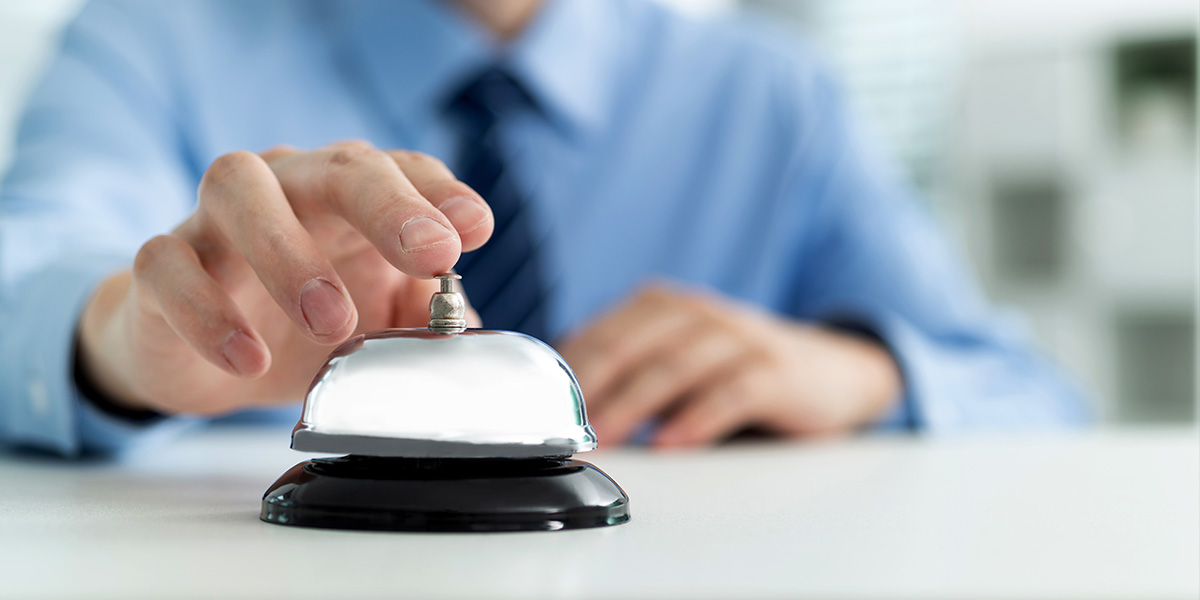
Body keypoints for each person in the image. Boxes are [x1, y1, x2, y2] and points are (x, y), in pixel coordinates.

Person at [0, 0, 1086, 457]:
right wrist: (120, 351)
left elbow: (1045, 407)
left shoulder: (772, 100)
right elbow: (24, 284)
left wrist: (865, 376)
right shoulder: (151, 40)